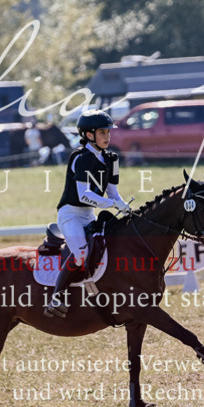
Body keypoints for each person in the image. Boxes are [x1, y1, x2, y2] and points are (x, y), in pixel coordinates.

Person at [44, 110, 132, 318]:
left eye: (108, 132)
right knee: (81, 252)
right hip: (70, 214)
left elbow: (112, 192)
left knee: (105, 248)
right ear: (88, 134)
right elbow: (84, 196)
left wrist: (123, 205)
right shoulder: (81, 158)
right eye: (102, 132)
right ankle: (57, 296)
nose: (107, 137)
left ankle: (97, 291)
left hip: (89, 214)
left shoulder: (112, 159)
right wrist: (113, 204)